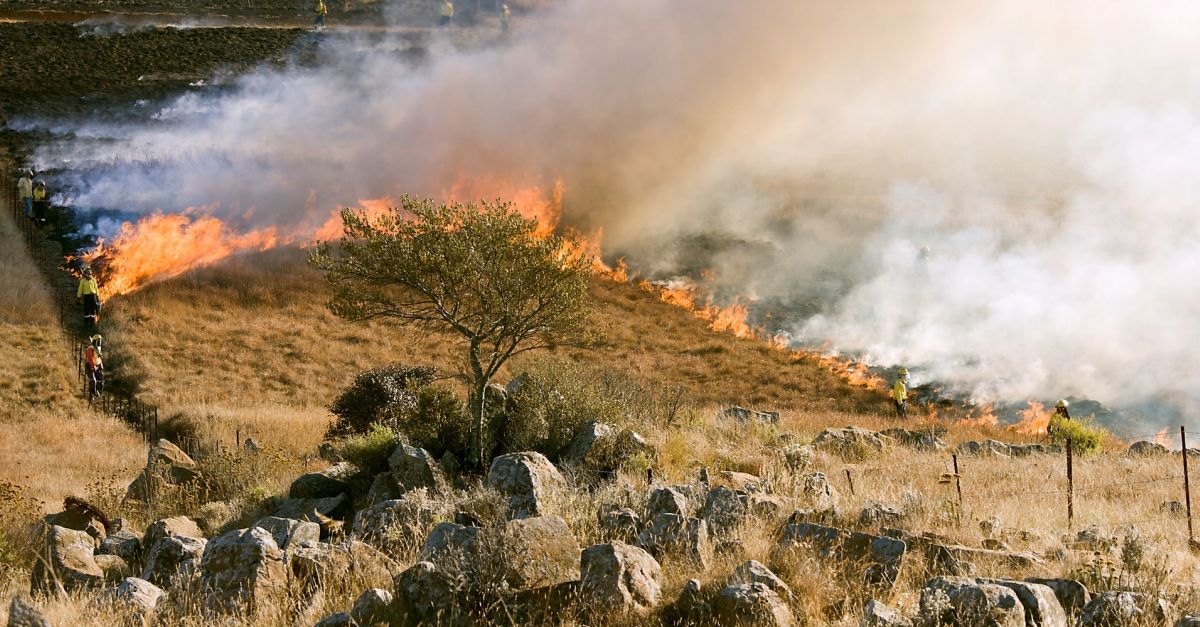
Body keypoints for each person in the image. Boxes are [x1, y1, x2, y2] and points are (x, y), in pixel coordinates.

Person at [84, 334, 104, 401]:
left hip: (97, 366)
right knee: (93, 381)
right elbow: (90, 359)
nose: (100, 342)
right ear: (95, 341)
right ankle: (92, 394)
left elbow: (97, 358)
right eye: (99, 341)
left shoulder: (98, 348)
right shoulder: (90, 349)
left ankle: (96, 392)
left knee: (101, 381)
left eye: (100, 341)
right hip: (90, 366)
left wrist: (100, 364)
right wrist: (93, 366)